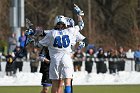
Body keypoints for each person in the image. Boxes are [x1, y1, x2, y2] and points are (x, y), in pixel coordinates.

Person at [38, 4, 84, 93]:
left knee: (55, 85)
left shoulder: (51, 33)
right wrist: (79, 15)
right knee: (67, 83)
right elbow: (81, 25)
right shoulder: (70, 31)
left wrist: (32, 37)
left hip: (55, 60)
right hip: (66, 58)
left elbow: (39, 41)